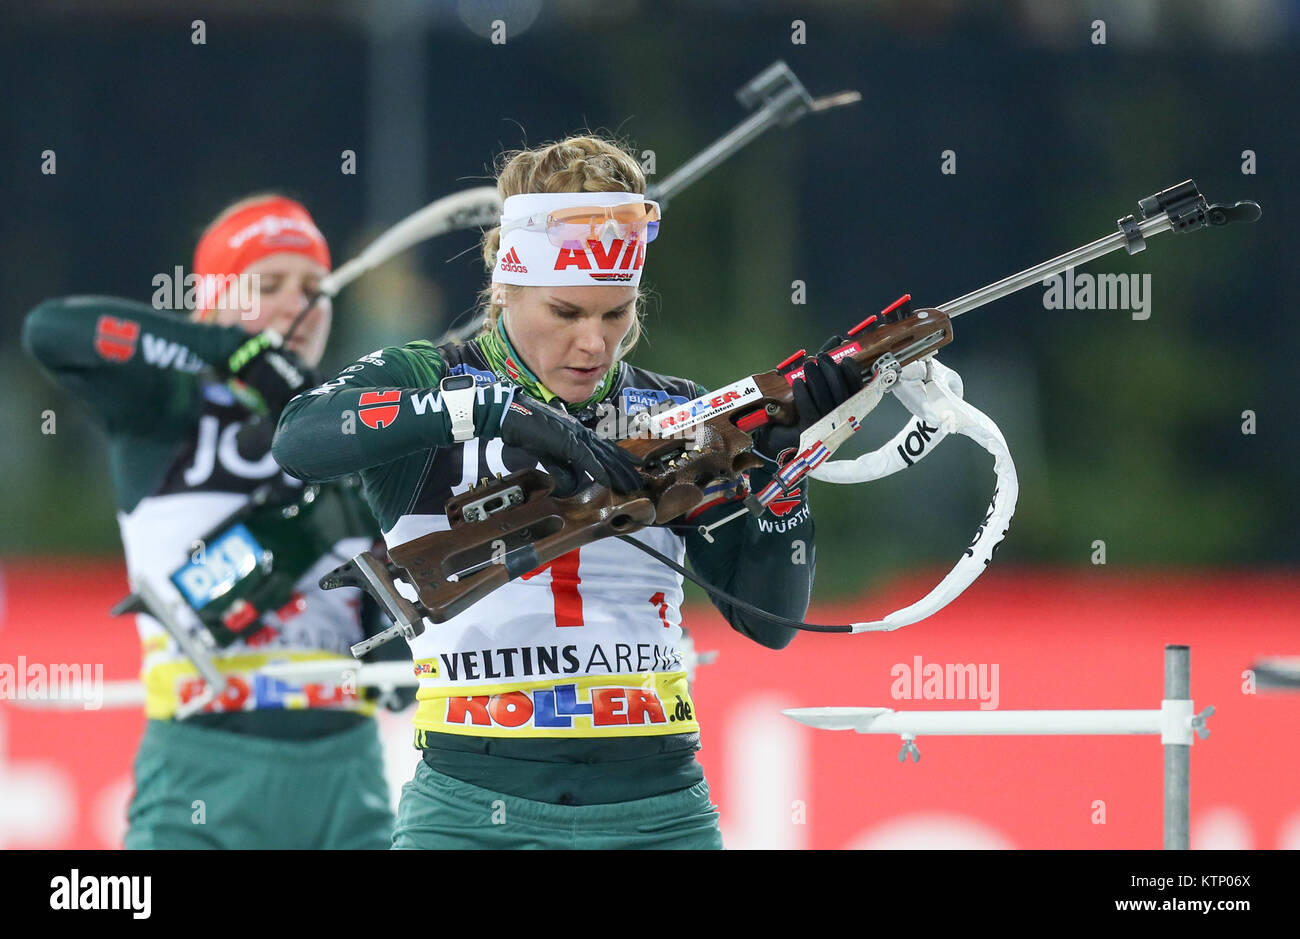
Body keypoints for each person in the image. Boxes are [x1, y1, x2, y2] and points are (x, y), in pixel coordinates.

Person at [272, 136, 862, 849]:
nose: (594, 344)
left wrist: (785, 471)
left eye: (615, 315)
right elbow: (299, 438)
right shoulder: (432, 375)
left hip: (658, 810)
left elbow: (770, 622)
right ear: (505, 287)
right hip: (472, 808)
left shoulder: (677, 413)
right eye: (565, 312)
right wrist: (485, 408)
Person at [23, 193, 406, 849]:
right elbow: (52, 331)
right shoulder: (165, 406)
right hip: (203, 768)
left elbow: (397, 624)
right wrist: (227, 350)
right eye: (268, 284)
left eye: (313, 285)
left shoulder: (357, 427)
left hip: (348, 778)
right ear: (214, 298)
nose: (297, 303)